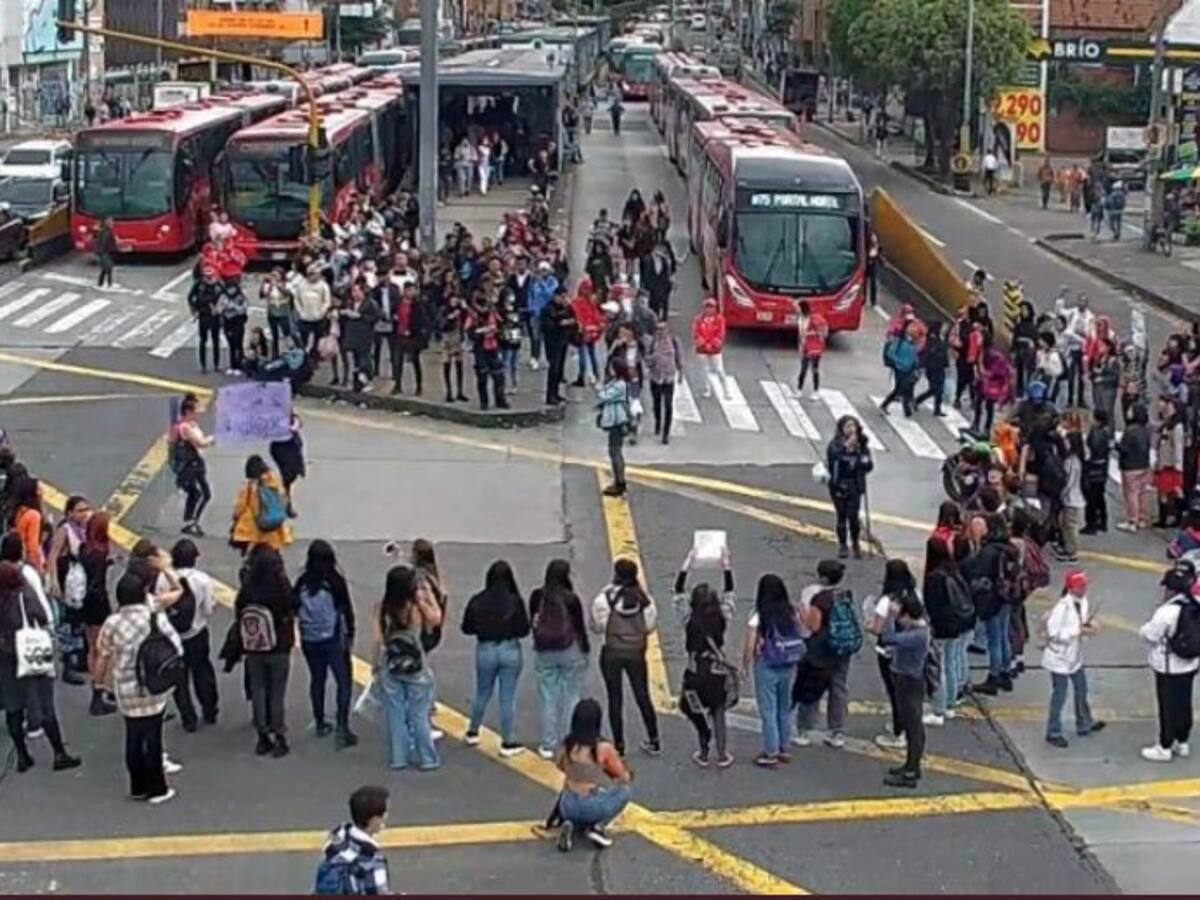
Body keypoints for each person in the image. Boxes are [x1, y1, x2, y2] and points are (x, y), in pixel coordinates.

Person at [95, 573, 183, 804]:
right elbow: (177, 647)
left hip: (126, 689)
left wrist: (99, 682)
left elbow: (102, 654)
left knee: (133, 736)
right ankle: (157, 789)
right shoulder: (155, 619)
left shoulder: (112, 623)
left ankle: (138, 786)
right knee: (153, 737)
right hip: (153, 686)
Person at [0, 558, 82, 773]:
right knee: (45, 704)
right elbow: (42, 616)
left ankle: (22, 755)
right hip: (30, 653)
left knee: (13, 707)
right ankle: (59, 753)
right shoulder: (23, 594)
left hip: (5, 658)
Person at [375, 565, 443, 770]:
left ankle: (399, 758)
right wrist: (427, 597)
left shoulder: (382, 608)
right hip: (416, 666)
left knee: (395, 714)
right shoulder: (414, 608)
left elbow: (377, 640)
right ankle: (428, 758)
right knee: (419, 714)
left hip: (391, 664)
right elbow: (435, 619)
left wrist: (375, 665)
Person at [590, 558, 661, 757]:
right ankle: (654, 738)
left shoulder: (604, 599)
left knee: (615, 698)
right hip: (636, 653)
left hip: (611, 652)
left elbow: (597, 626)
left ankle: (619, 744)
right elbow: (649, 626)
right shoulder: (645, 601)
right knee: (642, 695)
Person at [673, 547, 736, 767]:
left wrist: (687, 563)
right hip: (716, 671)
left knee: (694, 708)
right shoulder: (723, 616)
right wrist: (726, 565)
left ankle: (703, 750)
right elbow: (730, 592)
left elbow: (678, 591)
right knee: (718, 711)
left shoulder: (688, 618)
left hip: (694, 671)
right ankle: (722, 754)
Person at [461, 560, 530, 755]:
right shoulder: (515, 601)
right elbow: (524, 630)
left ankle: (473, 731)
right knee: (507, 697)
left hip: (485, 649)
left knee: (482, 692)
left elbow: (466, 628)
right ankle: (508, 741)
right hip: (509, 649)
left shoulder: (477, 600)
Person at [295, 540, 357, 749]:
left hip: (309, 639)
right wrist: (351, 634)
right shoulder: (335, 581)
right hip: (332, 637)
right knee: (343, 681)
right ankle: (342, 726)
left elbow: (293, 607)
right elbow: (346, 609)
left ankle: (320, 721)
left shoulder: (303, 581)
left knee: (317, 679)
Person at [236, 545, 296, 758]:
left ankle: (262, 736)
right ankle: (279, 735)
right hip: (279, 646)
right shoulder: (281, 586)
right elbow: (293, 606)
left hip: (254, 647)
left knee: (259, 689)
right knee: (277, 691)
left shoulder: (249, 587)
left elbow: (239, 611)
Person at [793, 559, 860, 747]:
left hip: (820, 650)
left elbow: (812, 625)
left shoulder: (819, 599)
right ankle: (836, 732)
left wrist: (801, 611)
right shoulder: (844, 594)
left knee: (812, 688)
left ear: (822, 577)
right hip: (841, 648)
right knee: (838, 689)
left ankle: (805, 730)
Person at [1138, 561, 1200, 762]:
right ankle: (1182, 741)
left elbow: (1150, 635)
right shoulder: (1196, 604)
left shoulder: (1166, 612)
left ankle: (1164, 746)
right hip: (1190, 664)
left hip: (1168, 667)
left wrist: (1145, 627)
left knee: (1167, 707)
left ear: (1170, 590)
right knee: (1184, 703)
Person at [554, 698, 633, 851]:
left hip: (567, 804)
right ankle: (598, 827)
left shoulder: (568, 744)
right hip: (591, 805)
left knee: (574, 799)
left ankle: (570, 823)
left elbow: (560, 765)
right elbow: (623, 776)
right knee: (625, 792)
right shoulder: (602, 748)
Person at [529, 559, 589, 759]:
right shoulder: (571, 598)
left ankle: (548, 744)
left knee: (548, 696)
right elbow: (579, 627)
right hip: (569, 649)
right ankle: (569, 740)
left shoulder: (538, 596)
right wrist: (585, 648)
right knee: (571, 695)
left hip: (545, 650)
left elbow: (533, 622)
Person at [742, 574, 803, 767]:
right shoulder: (791, 611)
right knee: (784, 707)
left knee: (768, 709)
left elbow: (750, 644)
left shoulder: (758, 614)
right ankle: (785, 747)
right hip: (788, 662)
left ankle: (771, 752)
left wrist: (745, 665)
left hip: (767, 664)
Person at [1042, 570, 1104, 748]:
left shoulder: (1082, 602)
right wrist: (1077, 631)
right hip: (1059, 657)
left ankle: (1085, 722)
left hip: (1074, 656)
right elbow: (1054, 634)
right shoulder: (1061, 608)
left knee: (1081, 689)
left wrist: (1089, 626)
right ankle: (1053, 731)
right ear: (1072, 588)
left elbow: (1081, 622)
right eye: (1081, 585)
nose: (1084, 588)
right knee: (1059, 695)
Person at [878, 590, 931, 787]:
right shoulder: (916, 629)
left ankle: (912, 770)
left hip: (909, 681)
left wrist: (890, 616)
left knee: (913, 726)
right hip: (905, 677)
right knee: (911, 725)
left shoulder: (917, 634)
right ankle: (909, 765)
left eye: (901, 616)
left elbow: (888, 637)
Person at [168, 539, 219, 733]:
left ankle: (188, 718)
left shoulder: (166, 578)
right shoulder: (202, 580)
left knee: (179, 679)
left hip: (173, 636)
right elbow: (208, 608)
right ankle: (209, 709)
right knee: (202, 671)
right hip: (196, 633)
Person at [867, 560, 918, 751]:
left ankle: (899, 731)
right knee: (906, 690)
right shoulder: (913, 594)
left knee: (894, 690)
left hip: (888, 650)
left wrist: (869, 625)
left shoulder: (886, 601)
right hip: (909, 648)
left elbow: (877, 628)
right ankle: (904, 725)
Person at [922, 537, 972, 724]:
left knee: (938, 666)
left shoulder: (934, 577)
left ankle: (939, 709)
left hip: (941, 627)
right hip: (957, 623)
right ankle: (951, 703)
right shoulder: (952, 569)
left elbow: (932, 606)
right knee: (951, 662)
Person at [317, 786, 391, 895]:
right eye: (384, 812)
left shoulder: (338, 838)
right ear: (372, 819)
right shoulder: (373, 860)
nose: (386, 816)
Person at [825, 415, 874, 559]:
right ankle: (842, 545)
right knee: (841, 515)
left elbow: (868, 465)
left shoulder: (862, 445)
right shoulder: (835, 444)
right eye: (847, 426)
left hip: (855, 484)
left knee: (853, 516)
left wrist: (862, 458)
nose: (851, 429)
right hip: (839, 483)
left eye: (853, 426)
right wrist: (847, 447)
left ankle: (855, 542)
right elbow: (834, 457)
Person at [231, 455, 294, 553]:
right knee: (273, 554)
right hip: (274, 527)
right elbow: (284, 499)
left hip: (255, 529)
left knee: (256, 557)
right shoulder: (275, 482)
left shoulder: (250, 486)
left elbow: (240, 507)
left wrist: (235, 517)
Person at [173, 394, 214, 536]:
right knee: (199, 493)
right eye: (196, 409)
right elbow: (199, 442)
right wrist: (212, 438)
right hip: (190, 466)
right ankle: (191, 522)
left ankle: (191, 521)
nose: (199, 412)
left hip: (196, 463)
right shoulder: (184, 427)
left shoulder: (192, 425)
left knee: (199, 493)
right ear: (188, 411)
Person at [597, 361, 633, 496]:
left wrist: (596, 387)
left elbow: (604, 396)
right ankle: (619, 481)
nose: (609, 371)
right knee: (614, 452)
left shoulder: (620, 385)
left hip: (618, 422)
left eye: (612, 368)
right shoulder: (616, 382)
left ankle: (620, 482)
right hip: (615, 421)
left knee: (615, 452)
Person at [1116, 402, 1152, 532]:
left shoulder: (1130, 430)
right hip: (1144, 465)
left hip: (1130, 466)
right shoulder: (1146, 429)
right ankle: (1142, 518)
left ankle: (1132, 520)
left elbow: (1124, 449)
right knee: (1142, 493)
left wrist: (1116, 445)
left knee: (1131, 493)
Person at [645, 319, 682, 445]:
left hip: (669, 378)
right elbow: (647, 360)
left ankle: (666, 433)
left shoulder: (674, 341)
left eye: (663, 329)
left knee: (668, 405)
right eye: (658, 329)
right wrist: (653, 359)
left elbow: (678, 357)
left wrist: (680, 372)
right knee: (656, 403)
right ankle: (657, 422)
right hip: (656, 378)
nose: (660, 332)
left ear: (668, 330)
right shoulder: (652, 342)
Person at [541, 288, 576, 406]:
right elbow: (547, 326)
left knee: (559, 370)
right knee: (553, 369)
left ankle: (555, 393)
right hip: (552, 343)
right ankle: (549, 395)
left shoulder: (565, 308)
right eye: (562, 297)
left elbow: (574, 317)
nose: (564, 299)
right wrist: (561, 324)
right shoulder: (548, 309)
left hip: (562, 341)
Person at [1155, 395, 1186, 528]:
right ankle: (1167, 518)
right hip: (1164, 461)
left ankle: (1174, 518)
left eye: (1171, 406)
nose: (1168, 408)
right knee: (1167, 490)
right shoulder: (1167, 424)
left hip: (1171, 464)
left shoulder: (1177, 427)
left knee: (1171, 490)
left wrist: (1178, 465)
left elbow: (1178, 447)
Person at [268, 409, 305, 518]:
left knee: (291, 476)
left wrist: (296, 423)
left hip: (293, 447)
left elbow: (297, 420)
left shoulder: (286, 405)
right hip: (282, 448)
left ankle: (284, 504)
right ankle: (285, 506)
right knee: (287, 477)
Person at [1056, 430, 1086, 563]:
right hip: (1072, 497)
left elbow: (1069, 481)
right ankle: (1068, 548)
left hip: (1071, 498)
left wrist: (1062, 493)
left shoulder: (1072, 461)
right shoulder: (1076, 459)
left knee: (1070, 526)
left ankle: (1073, 551)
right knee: (1065, 524)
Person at [187, 267, 223, 373]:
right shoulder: (199, 285)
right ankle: (203, 365)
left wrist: (220, 309)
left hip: (215, 316)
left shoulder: (218, 285)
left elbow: (224, 296)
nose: (209, 279)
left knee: (216, 340)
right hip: (204, 315)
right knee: (203, 340)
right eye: (206, 277)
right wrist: (194, 309)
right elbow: (190, 297)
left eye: (210, 277)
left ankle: (216, 364)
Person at [693, 298, 730, 399]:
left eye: (712, 307)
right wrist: (704, 343)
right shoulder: (698, 319)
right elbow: (696, 333)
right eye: (707, 307)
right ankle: (707, 389)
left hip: (715, 349)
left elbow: (721, 334)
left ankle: (726, 390)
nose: (709, 310)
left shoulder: (720, 319)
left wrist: (712, 344)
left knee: (719, 369)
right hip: (702, 348)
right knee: (705, 370)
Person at [1082, 410, 1112, 534]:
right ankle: (1103, 521)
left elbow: (1092, 448)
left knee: (1091, 498)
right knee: (1100, 496)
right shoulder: (1107, 432)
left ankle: (1091, 524)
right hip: (1103, 469)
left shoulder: (1096, 433)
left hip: (1094, 469)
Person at [880, 325, 920, 417]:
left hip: (909, 369)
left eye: (915, 334)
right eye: (912, 333)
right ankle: (905, 410)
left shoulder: (913, 344)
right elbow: (890, 353)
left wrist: (916, 367)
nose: (914, 336)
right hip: (899, 369)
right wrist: (899, 362)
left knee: (903, 389)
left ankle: (904, 410)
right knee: (901, 389)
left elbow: (914, 357)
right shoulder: (899, 342)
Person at [796, 301, 828, 400]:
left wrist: (811, 335)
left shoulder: (814, 319)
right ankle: (799, 390)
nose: (796, 309)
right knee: (803, 369)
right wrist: (801, 346)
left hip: (814, 348)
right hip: (805, 347)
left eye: (798, 307)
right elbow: (801, 334)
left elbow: (824, 332)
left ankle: (816, 391)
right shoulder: (801, 319)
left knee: (814, 370)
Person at [261, 268, 294, 358]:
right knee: (274, 335)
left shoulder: (287, 284)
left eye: (276, 275)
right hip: (272, 313)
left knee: (287, 334)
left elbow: (289, 294)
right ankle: (275, 355)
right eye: (272, 275)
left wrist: (279, 286)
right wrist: (268, 285)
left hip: (283, 313)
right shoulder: (269, 285)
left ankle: (293, 353)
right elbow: (262, 295)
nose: (274, 277)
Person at [95, 217, 117, 288]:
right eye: (111, 222)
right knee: (108, 268)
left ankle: (102, 283)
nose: (113, 223)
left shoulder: (106, 231)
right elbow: (104, 242)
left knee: (105, 269)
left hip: (105, 252)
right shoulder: (106, 232)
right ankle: (108, 284)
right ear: (108, 224)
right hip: (105, 253)